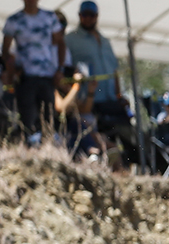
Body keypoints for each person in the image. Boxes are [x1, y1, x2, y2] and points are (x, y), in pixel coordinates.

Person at [64, 1, 131, 149]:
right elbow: (65, 70)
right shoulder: (70, 39)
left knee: (125, 137)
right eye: (85, 15)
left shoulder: (105, 41)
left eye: (92, 15)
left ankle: (129, 160)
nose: (88, 18)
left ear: (97, 16)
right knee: (97, 141)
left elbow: (114, 70)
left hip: (111, 100)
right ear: (79, 16)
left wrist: (119, 95)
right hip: (89, 102)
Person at [2, 0, 66, 143]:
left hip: (47, 76)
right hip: (26, 78)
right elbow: (5, 50)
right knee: (28, 119)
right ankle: (29, 148)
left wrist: (59, 70)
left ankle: (49, 148)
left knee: (48, 117)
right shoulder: (14, 20)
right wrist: (13, 71)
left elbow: (61, 43)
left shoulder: (49, 17)